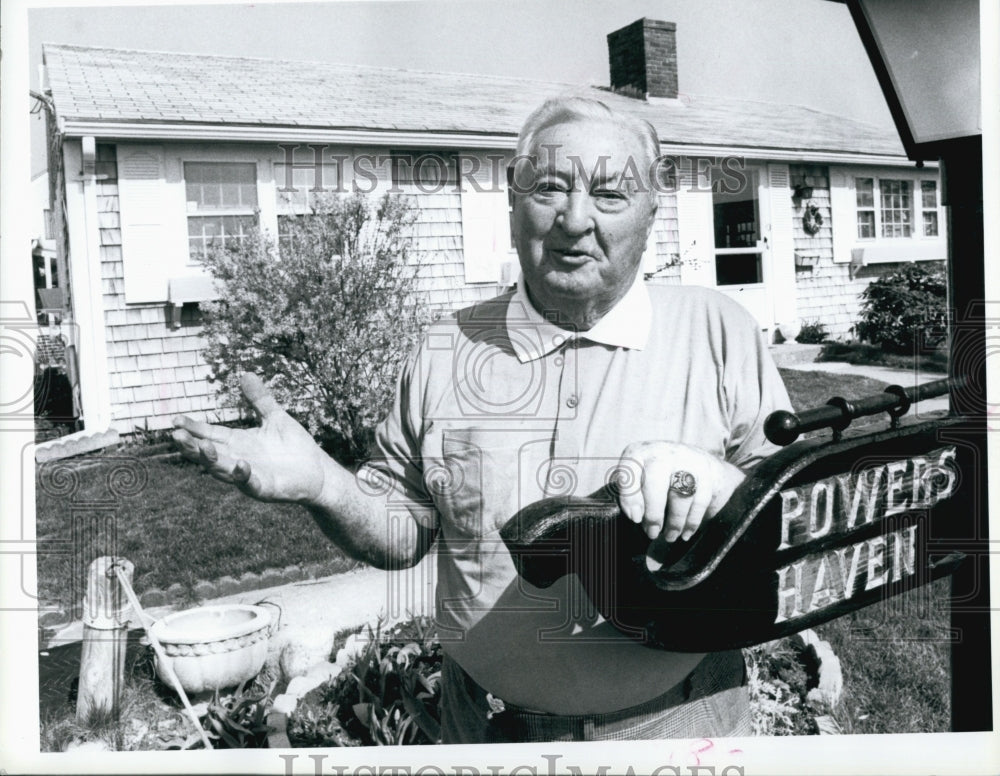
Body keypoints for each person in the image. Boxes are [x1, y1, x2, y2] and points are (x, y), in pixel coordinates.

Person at [172, 96, 791, 743]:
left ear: (651, 213)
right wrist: (324, 484)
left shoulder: (719, 331)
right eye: (550, 187)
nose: (575, 220)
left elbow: (795, 512)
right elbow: (403, 528)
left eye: (609, 194)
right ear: (512, 197)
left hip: (677, 723)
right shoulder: (445, 350)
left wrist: (716, 483)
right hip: (483, 727)